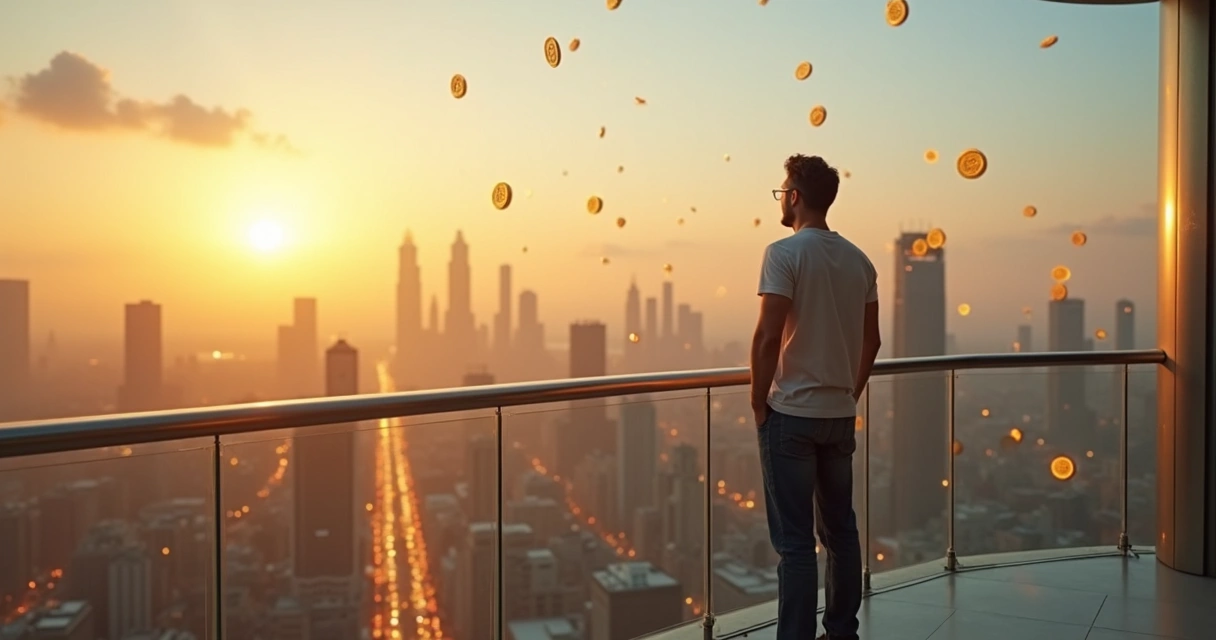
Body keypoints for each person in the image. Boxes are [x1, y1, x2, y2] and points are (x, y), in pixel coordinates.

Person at [750, 154, 881, 640]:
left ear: (795, 197)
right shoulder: (860, 260)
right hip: (839, 413)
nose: (781, 197)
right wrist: (851, 390)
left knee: (796, 544)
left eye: (782, 189)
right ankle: (842, 631)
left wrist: (758, 401)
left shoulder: (784, 254)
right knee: (841, 532)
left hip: (792, 414)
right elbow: (873, 342)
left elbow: (767, 338)